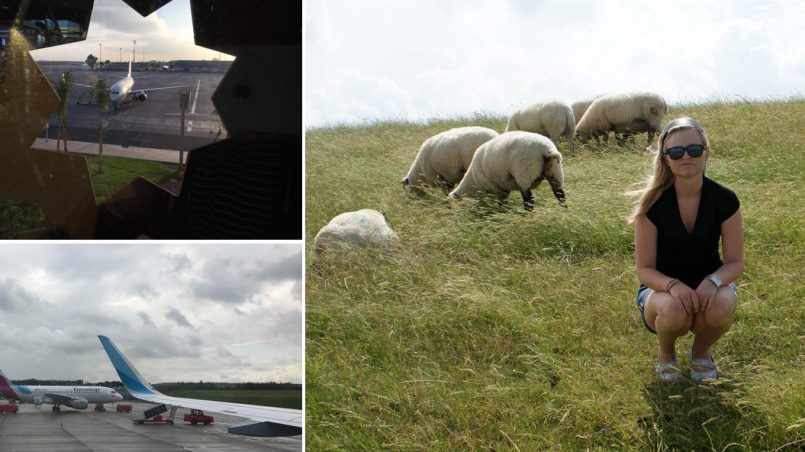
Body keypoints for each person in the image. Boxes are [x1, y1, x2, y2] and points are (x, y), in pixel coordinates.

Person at [628, 117, 744, 382]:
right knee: (674, 311)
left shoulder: (725, 200)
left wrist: (713, 282)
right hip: (660, 291)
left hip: (710, 286)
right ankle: (666, 355)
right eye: (676, 152)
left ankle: (701, 353)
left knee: (723, 303)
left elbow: (735, 262)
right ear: (666, 158)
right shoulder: (651, 204)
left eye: (694, 149)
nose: (686, 157)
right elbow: (644, 270)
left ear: (706, 153)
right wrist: (673, 286)